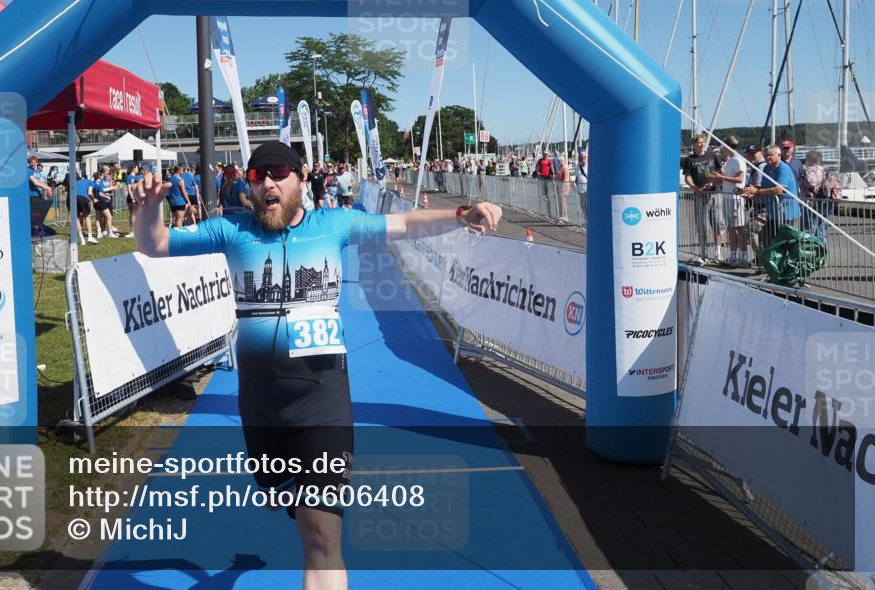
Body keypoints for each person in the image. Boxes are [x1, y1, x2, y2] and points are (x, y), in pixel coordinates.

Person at [131, 142, 502, 589]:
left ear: (301, 179)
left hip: (322, 399)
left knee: (321, 536)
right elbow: (155, 244)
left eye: (279, 172)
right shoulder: (232, 231)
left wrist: (462, 214)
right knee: (283, 501)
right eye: (256, 176)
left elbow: (403, 223)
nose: (267, 182)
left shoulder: (334, 224)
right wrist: (149, 208)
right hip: (262, 405)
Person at [741, 144, 801, 253]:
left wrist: (757, 191)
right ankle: (767, 263)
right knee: (768, 239)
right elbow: (764, 187)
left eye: (770, 155)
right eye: (766, 155)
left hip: (786, 212)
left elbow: (778, 190)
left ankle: (784, 266)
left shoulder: (784, 168)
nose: (767, 158)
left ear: (778, 155)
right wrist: (750, 191)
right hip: (772, 212)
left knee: (785, 242)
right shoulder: (767, 168)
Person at [682, 135, 723, 265]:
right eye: (698, 143)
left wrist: (713, 183)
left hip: (715, 193)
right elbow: (687, 177)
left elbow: (720, 172)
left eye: (703, 142)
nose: (701, 145)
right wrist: (694, 187)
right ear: (694, 145)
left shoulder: (713, 155)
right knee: (702, 225)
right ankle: (703, 253)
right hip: (700, 195)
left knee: (717, 223)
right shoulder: (689, 159)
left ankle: (718, 253)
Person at [710, 136, 749, 266]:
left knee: (739, 228)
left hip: (735, 198)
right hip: (728, 197)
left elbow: (740, 178)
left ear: (727, 146)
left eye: (723, 145)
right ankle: (733, 256)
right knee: (732, 228)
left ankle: (743, 257)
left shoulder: (738, 160)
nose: (721, 148)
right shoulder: (731, 160)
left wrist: (723, 177)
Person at [92, 169, 118, 238]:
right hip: (101, 201)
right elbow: (100, 193)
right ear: (99, 176)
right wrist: (107, 196)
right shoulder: (99, 183)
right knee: (109, 217)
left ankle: (99, 233)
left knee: (98, 218)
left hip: (96, 203)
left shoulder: (93, 183)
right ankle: (110, 232)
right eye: (101, 175)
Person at [575, 150, 588, 220]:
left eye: (585, 157)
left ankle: (589, 220)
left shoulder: (590, 166)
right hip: (581, 190)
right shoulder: (577, 168)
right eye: (582, 157)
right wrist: (576, 186)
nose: (583, 158)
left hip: (588, 190)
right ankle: (586, 220)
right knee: (583, 206)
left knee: (589, 206)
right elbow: (577, 178)